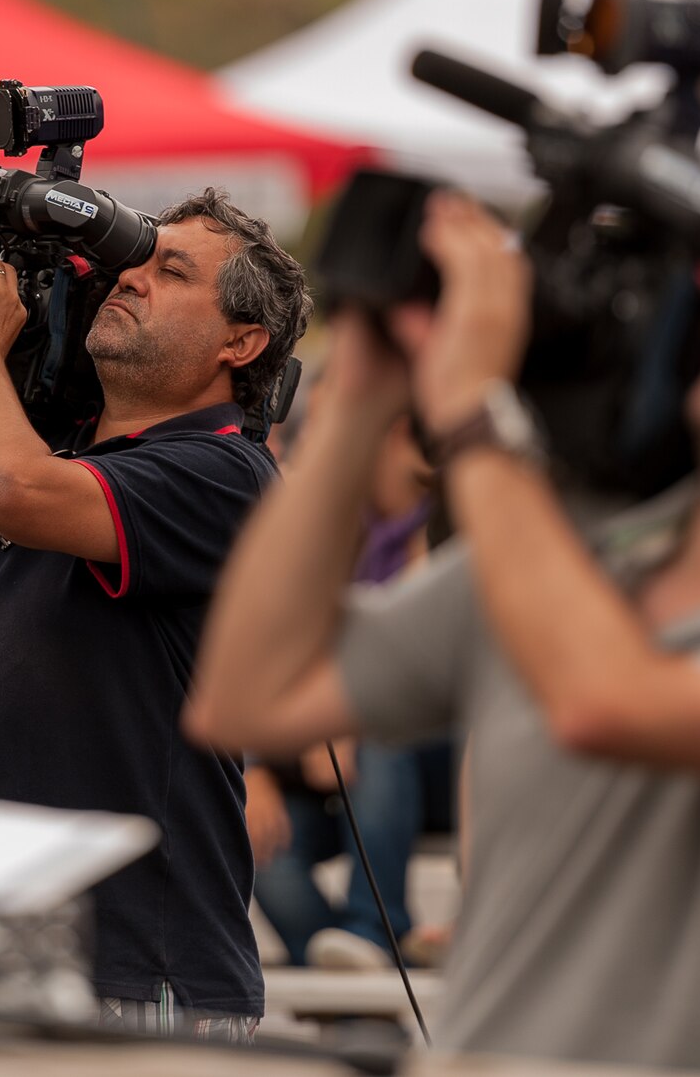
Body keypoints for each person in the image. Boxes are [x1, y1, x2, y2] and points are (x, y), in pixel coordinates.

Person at [187, 197, 700, 1075]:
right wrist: (362, 398)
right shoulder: (587, 554)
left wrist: (475, 411)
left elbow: (604, 703)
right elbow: (251, 691)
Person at [0, 189, 310, 1037]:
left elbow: (13, 493)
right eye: (133, 262)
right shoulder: (29, 454)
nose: (131, 279)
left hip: (134, 974)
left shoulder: (227, 474)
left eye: (170, 270)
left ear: (241, 341)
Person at [246, 400, 442, 971]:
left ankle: (374, 930)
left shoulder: (441, 522)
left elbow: (427, 668)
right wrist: (253, 767)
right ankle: (352, 974)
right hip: (337, 772)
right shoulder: (325, 535)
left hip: (427, 752)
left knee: (380, 726)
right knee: (255, 835)